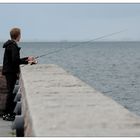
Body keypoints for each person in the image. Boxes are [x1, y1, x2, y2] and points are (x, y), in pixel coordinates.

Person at [2, 28, 37, 121]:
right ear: (18, 35)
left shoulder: (10, 45)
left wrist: (27, 58)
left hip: (9, 71)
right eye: (20, 34)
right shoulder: (13, 46)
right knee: (11, 93)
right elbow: (15, 61)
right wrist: (28, 62)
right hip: (10, 71)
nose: (20, 36)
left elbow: (15, 59)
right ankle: (7, 114)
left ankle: (7, 113)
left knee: (11, 92)